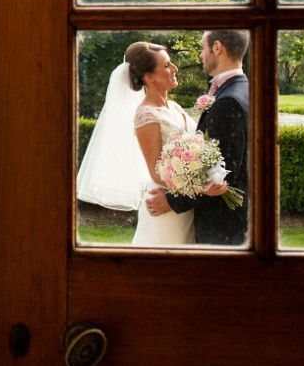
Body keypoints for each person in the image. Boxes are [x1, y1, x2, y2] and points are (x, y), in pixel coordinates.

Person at [77, 41, 197, 246]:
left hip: (186, 207)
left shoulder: (175, 107)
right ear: (149, 77)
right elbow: (157, 173)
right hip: (166, 209)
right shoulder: (146, 115)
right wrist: (202, 185)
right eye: (167, 65)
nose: (175, 69)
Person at [144, 30, 249, 245]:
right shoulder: (244, 89)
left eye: (203, 47)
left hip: (223, 227)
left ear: (217, 47)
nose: (201, 55)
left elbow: (222, 175)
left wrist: (172, 201)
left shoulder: (227, 102)